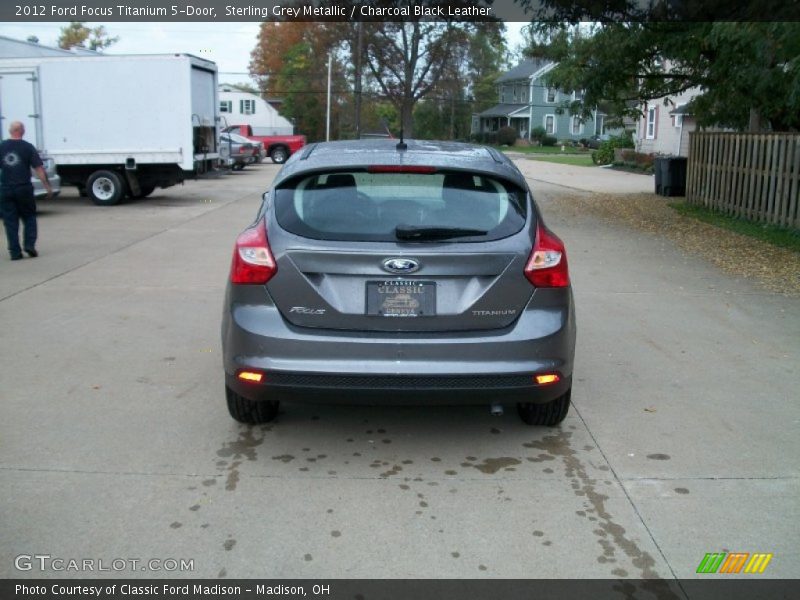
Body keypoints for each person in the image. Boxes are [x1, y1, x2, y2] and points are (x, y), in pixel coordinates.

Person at [0, 121, 52, 260]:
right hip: (23, 188)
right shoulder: (27, 147)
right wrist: (47, 186)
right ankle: (29, 245)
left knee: (10, 221)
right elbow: (39, 169)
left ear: (11, 131)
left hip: (6, 188)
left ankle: (14, 252)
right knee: (29, 217)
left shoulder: (2, 146)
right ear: (22, 131)